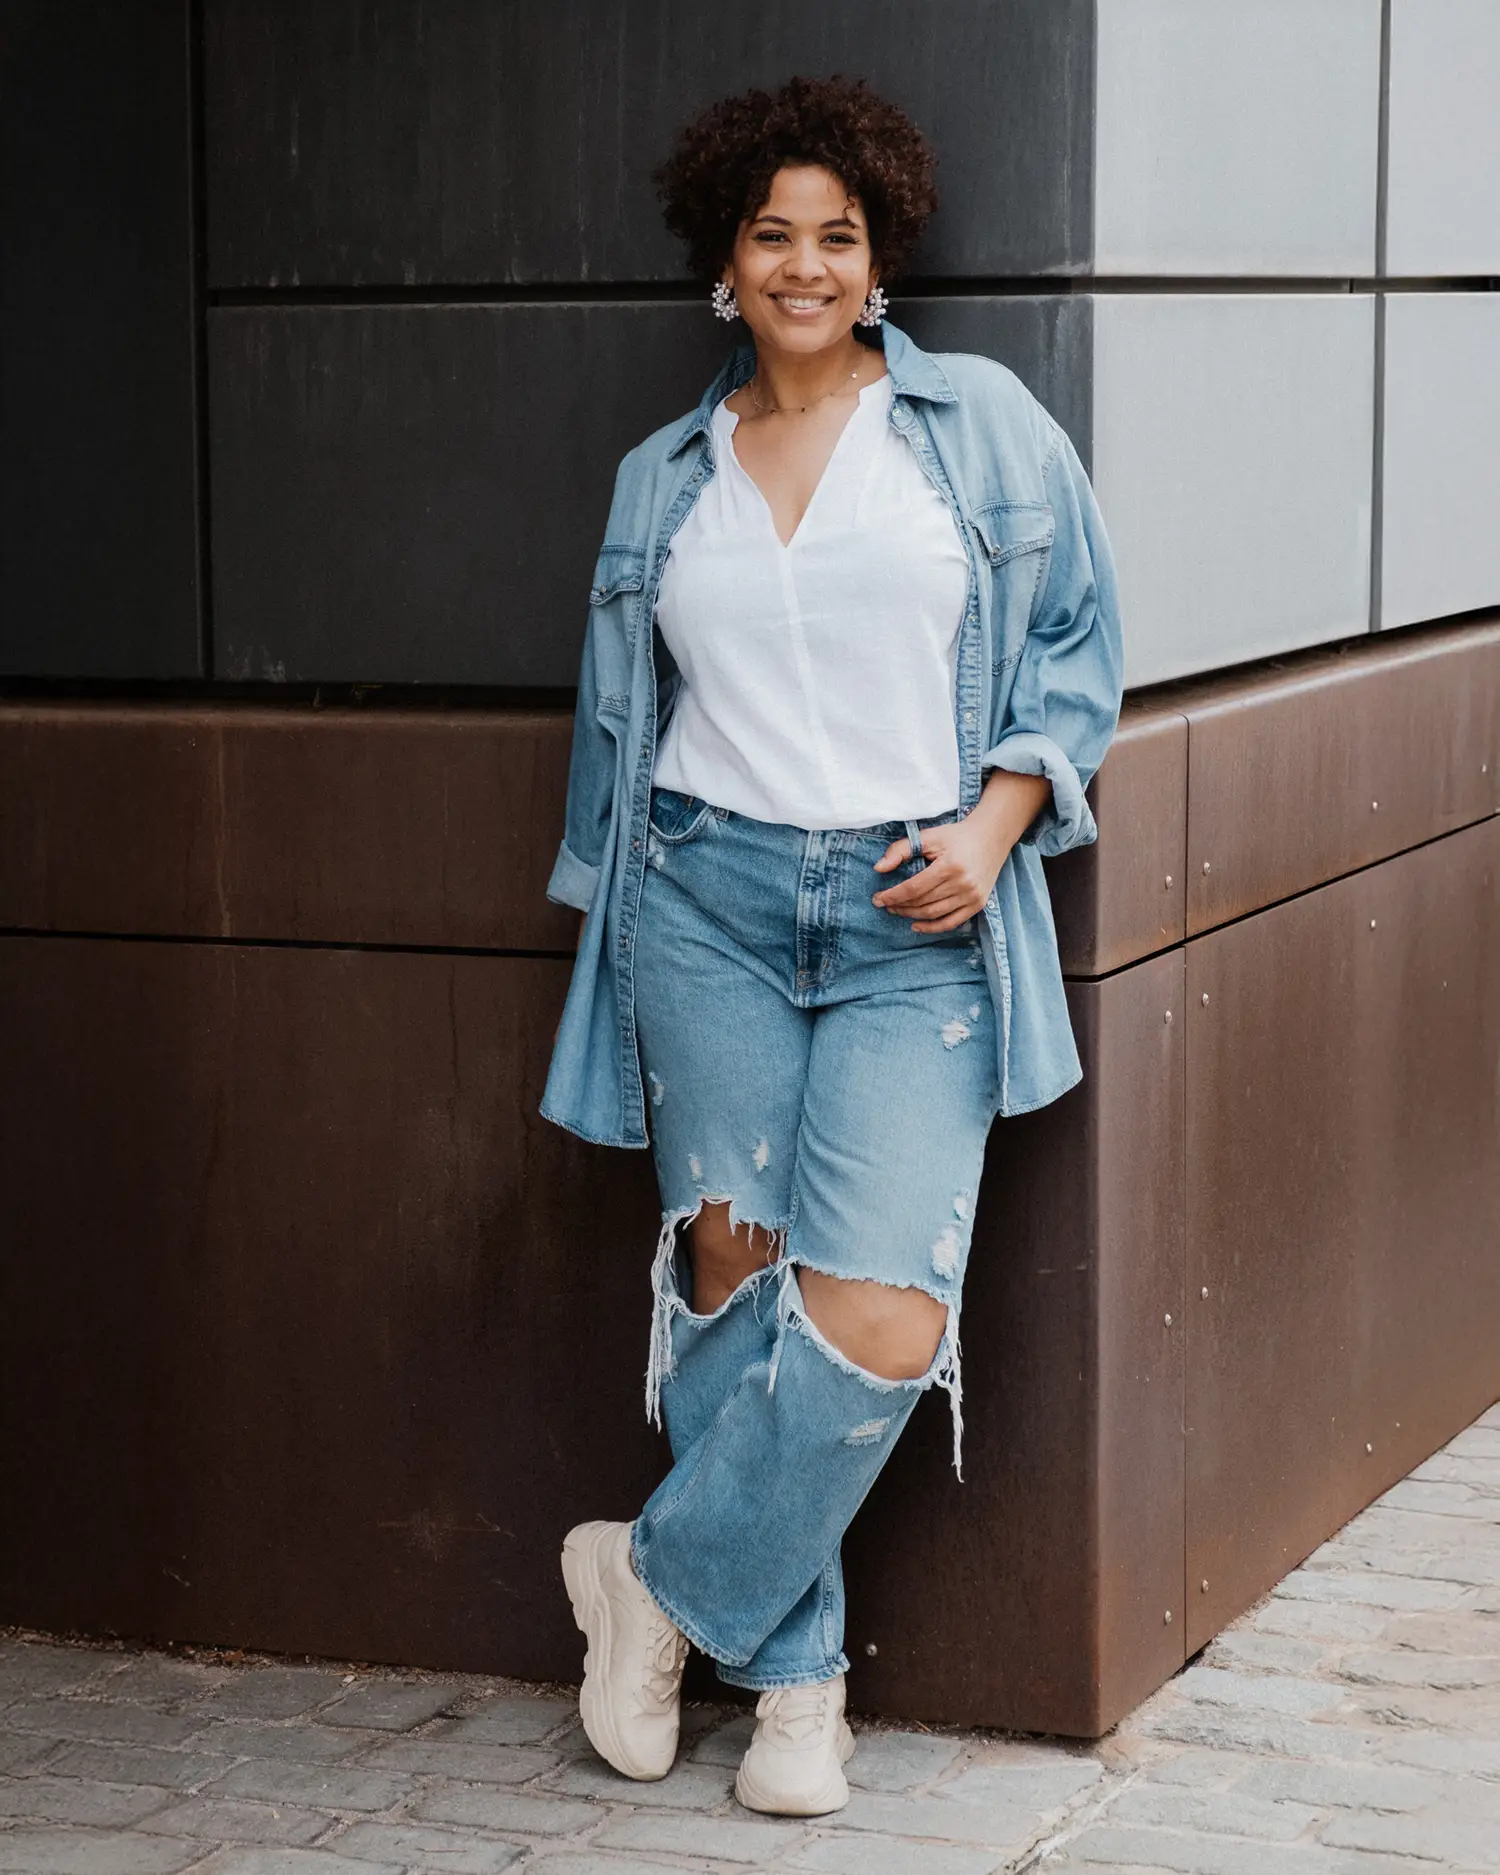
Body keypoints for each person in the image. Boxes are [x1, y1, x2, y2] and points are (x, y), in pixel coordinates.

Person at [539, 75, 1124, 1816]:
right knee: (732, 1286)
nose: (806, 265)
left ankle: (648, 1575)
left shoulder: (978, 426)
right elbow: (620, 727)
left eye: (838, 237)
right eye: (773, 235)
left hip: (910, 913)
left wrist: (995, 828)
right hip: (704, 901)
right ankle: (800, 1688)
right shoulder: (661, 480)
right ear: (724, 264)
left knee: (876, 1311)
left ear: (880, 263)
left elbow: (1079, 646)